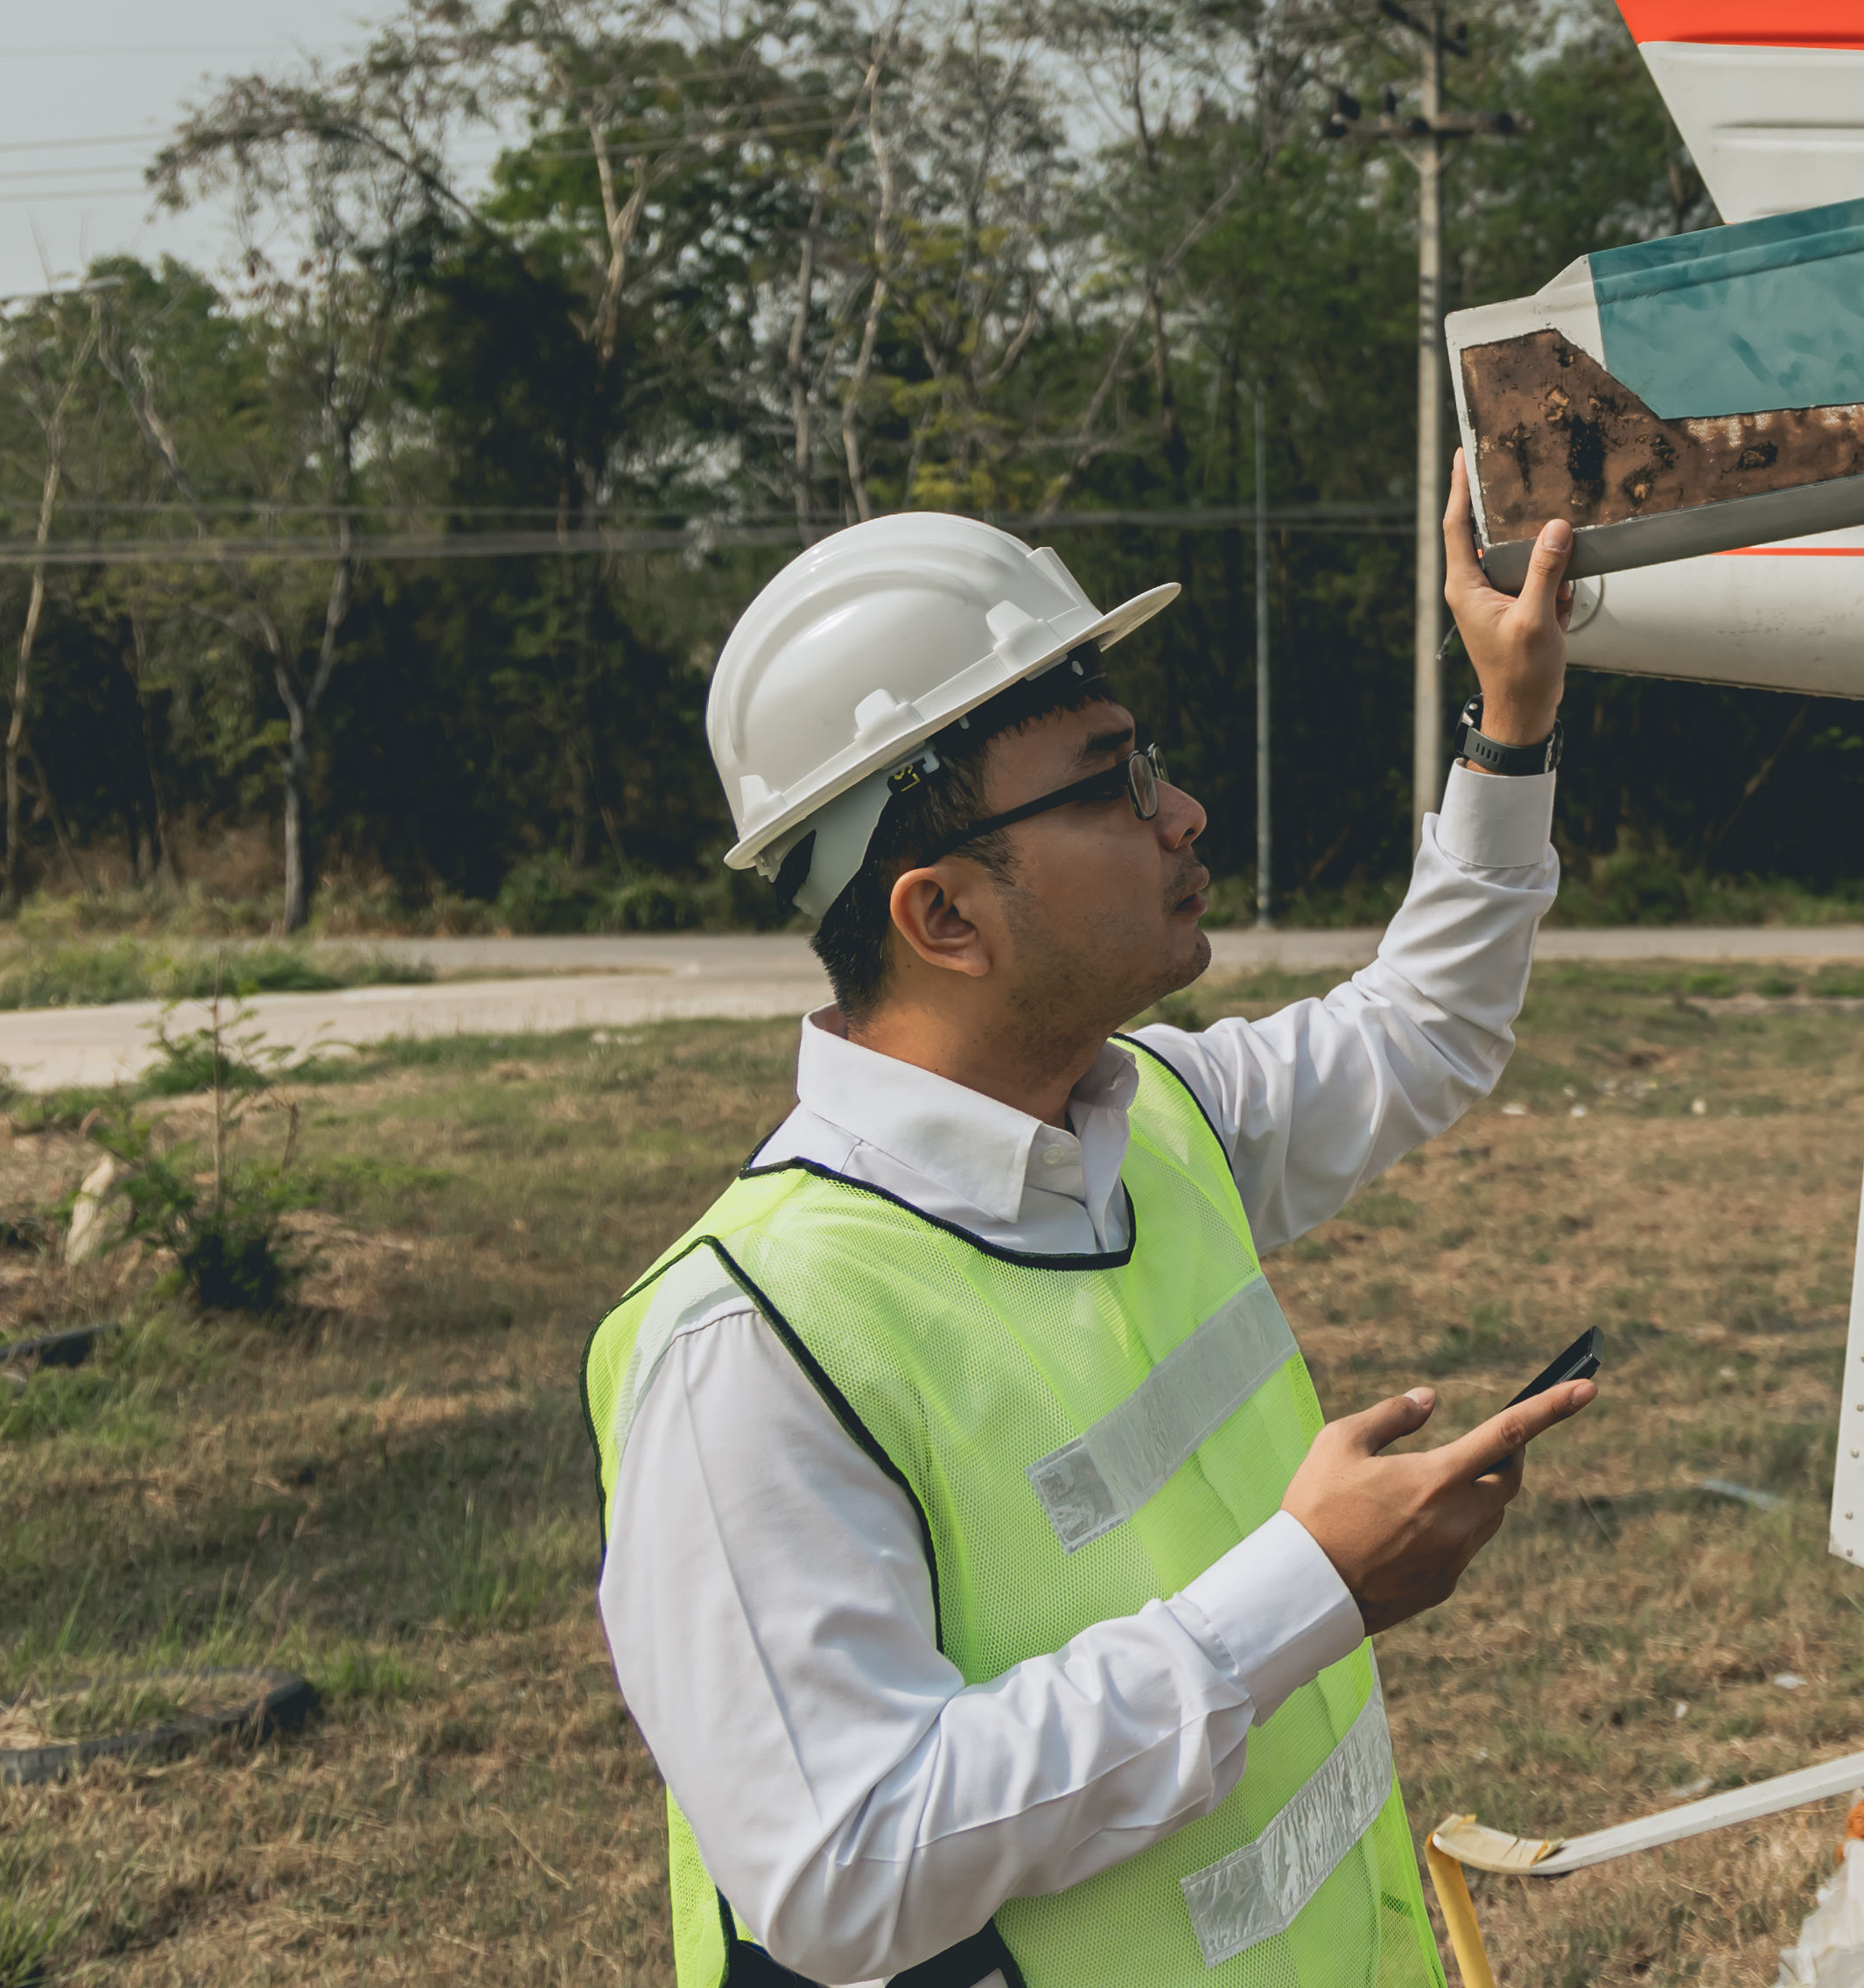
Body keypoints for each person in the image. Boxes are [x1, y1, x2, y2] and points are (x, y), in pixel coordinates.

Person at [589, 462, 1587, 1986]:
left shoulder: (1146, 1123)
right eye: (1113, 779)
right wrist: (1302, 1591)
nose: (1181, 811)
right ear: (943, 917)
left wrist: (1506, 731)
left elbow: (1423, 1030)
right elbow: (843, 1865)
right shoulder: (752, 1343)